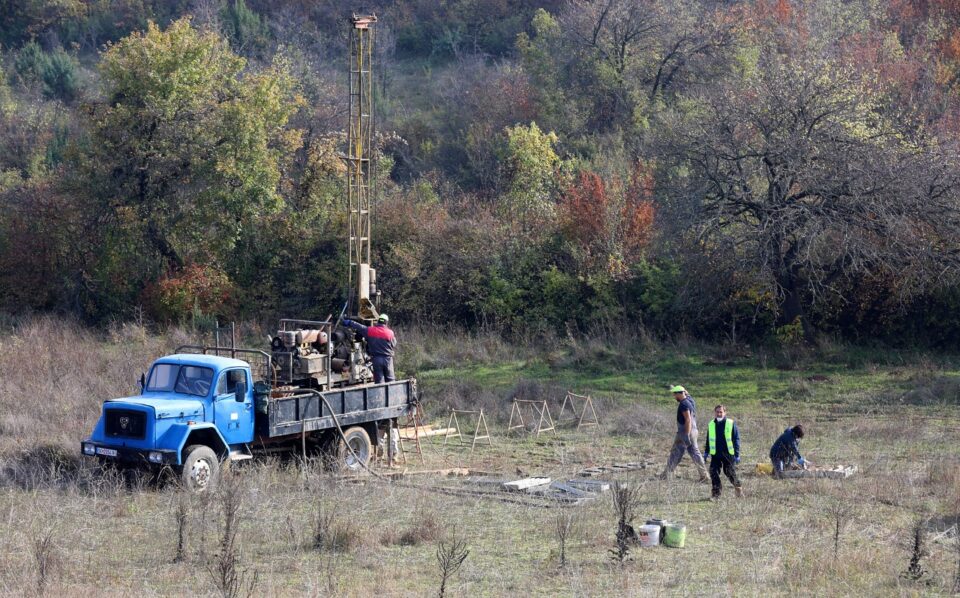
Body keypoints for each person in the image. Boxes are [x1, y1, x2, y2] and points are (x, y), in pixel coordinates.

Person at [659, 385, 709, 482]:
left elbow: (688, 419)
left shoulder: (683, 404)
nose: (674, 397)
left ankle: (667, 474)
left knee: (675, 453)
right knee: (695, 454)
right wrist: (677, 387)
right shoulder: (690, 400)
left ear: (679, 394)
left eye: (675, 394)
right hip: (694, 431)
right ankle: (705, 476)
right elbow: (686, 392)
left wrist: (686, 435)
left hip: (685, 432)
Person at [703, 404, 743, 499]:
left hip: (728, 454)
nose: (719, 414)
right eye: (717, 412)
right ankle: (716, 494)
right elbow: (709, 439)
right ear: (715, 412)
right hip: (715, 454)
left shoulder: (731, 423)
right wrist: (706, 452)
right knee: (713, 472)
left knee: (729, 472)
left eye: (721, 412)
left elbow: (736, 439)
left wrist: (737, 454)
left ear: (725, 413)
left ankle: (739, 489)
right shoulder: (711, 424)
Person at [342, 314, 397, 383]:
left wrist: (349, 322)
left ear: (378, 321)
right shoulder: (390, 333)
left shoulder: (370, 330)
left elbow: (359, 327)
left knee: (379, 382)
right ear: (386, 322)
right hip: (388, 360)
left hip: (376, 360)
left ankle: (379, 393)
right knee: (391, 380)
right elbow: (393, 344)